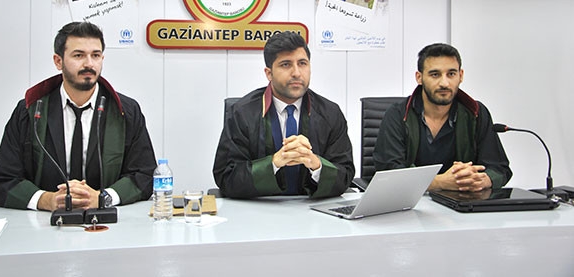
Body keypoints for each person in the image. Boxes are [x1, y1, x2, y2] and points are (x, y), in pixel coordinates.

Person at [0, 22, 157, 211]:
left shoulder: (125, 111)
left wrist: (103, 198)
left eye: (95, 55)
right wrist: (47, 200)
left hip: (107, 223)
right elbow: (1, 181)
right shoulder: (31, 111)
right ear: (58, 61)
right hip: (44, 224)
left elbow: (145, 175)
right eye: (78, 55)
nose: (89, 64)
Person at [213, 31, 355, 198]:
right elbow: (226, 177)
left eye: (302, 63)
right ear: (269, 73)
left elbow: (345, 175)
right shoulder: (242, 113)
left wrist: (317, 165)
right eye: (286, 64)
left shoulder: (330, 113)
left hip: (314, 209)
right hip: (260, 208)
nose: (297, 73)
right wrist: (273, 163)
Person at [373, 43, 512, 192]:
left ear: (461, 76)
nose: (444, 83)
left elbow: (499, 168)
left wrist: (482, 180)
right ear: (419, 78)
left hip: (462, 201)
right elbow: (389, 173)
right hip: (412, 202)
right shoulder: (398, 115)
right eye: (435, 74)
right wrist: (439, 182)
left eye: (451, 74)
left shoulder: (475, 113)